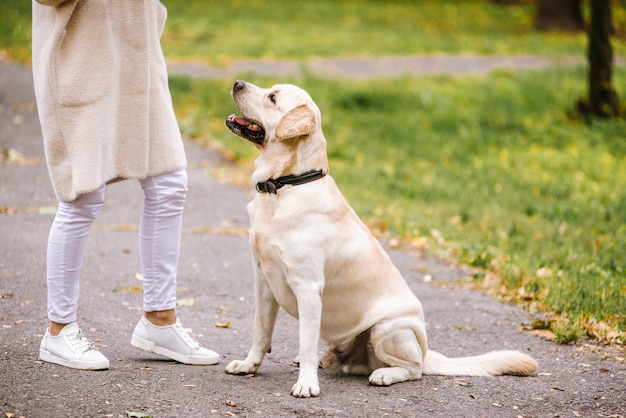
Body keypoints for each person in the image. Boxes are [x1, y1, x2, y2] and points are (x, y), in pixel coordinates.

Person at [31, 0, 219, 370]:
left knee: (169, 184)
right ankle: (58, 330)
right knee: (82, 195)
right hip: (83, 64)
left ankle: (159, 320)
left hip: (138, 63)